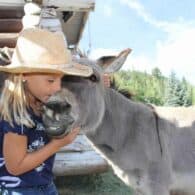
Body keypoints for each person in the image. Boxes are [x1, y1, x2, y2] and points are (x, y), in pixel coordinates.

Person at [0, 28, 93, 195]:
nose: (57, 87)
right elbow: (15, 167)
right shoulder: (16, 114)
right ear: (24, 75)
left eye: (60, 79)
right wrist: (58, 144)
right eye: (50, 80)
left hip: (45, 184)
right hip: (20, 189)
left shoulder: (41, 102)